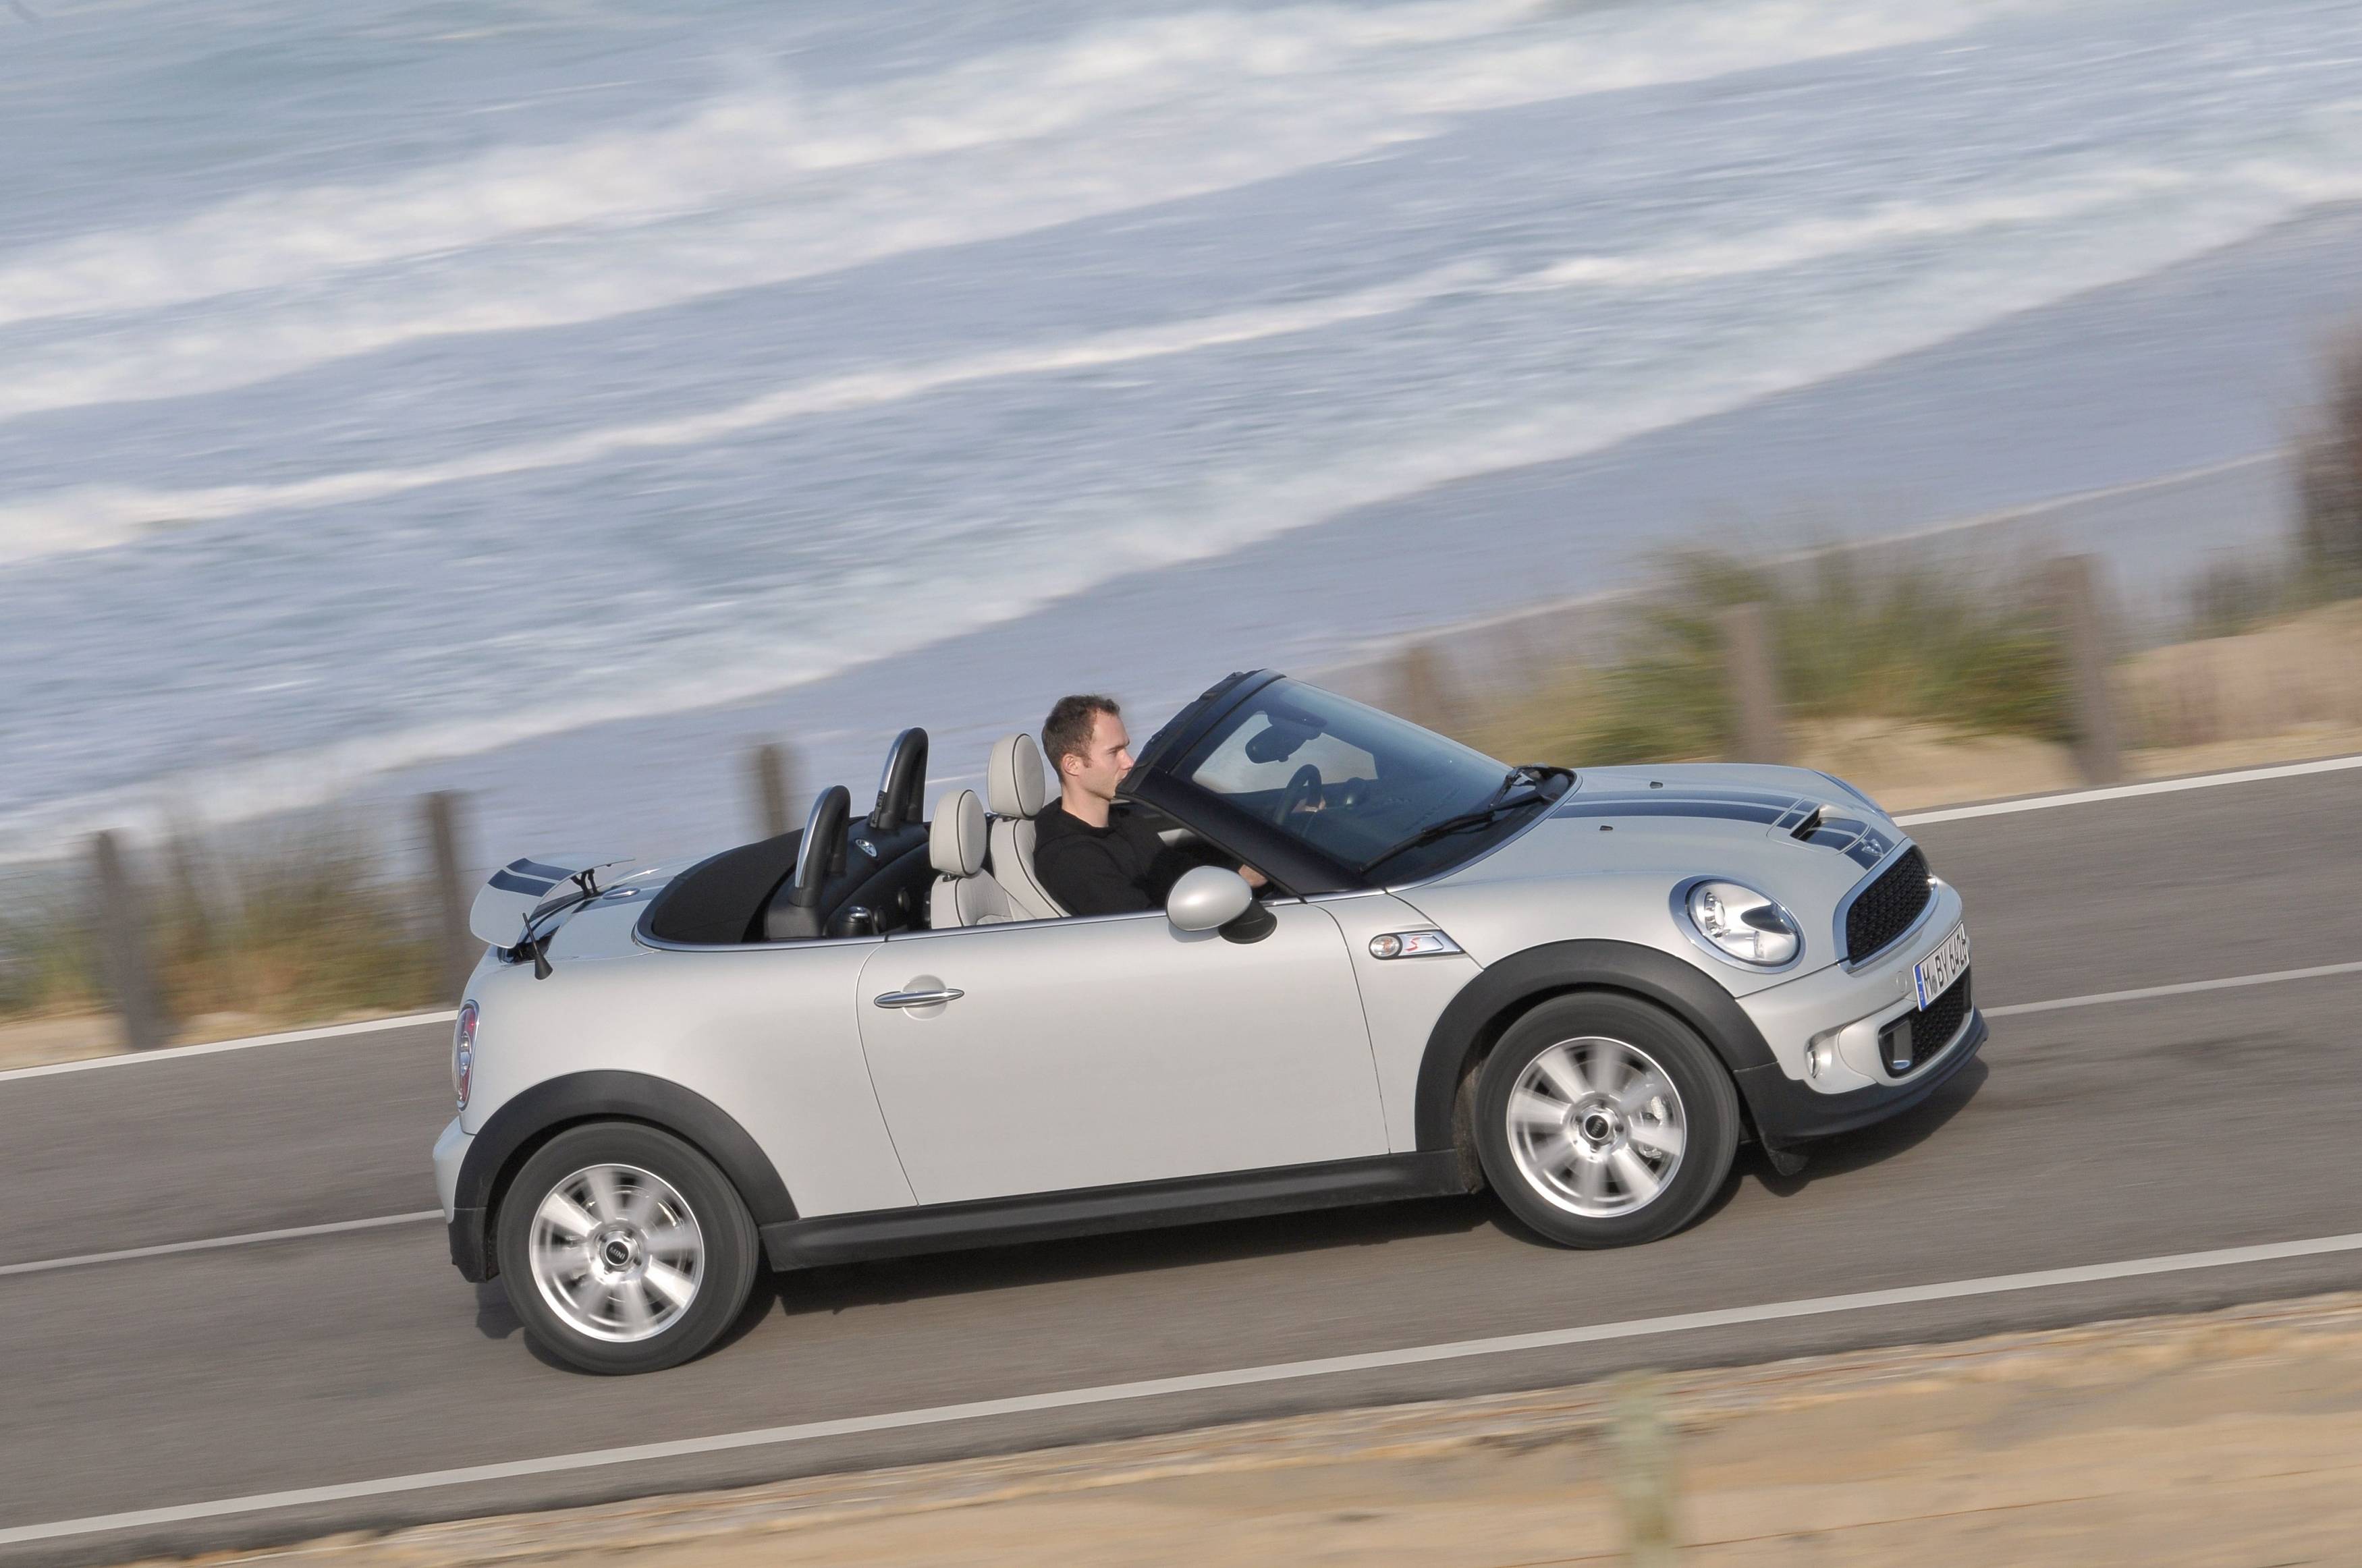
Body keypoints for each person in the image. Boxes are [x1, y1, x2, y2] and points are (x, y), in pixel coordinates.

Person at [1031, 694, 1265, 916]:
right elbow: (1143, 928)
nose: (1129, 762)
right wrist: (1236, 885)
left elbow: (1178, 871)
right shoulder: (1071, 859)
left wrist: (1239, 876)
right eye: (1114, 752)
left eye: (1125, 748)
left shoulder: (1123, 820)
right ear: (1072, 765)